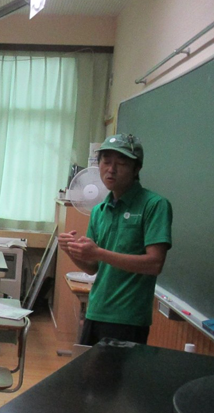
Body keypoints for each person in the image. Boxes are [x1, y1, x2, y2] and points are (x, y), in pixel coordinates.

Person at [58, 133, 172, 346]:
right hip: (96, 310)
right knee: (86, 378)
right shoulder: (99, 210)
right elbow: (92, 267)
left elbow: (155, 263)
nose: (111, 169)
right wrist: (71, 249)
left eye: (120, 163)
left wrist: (99, 252)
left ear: (136, 169)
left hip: (128, 318)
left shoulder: (154, 205)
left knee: (117, 379)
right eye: (106, 162)